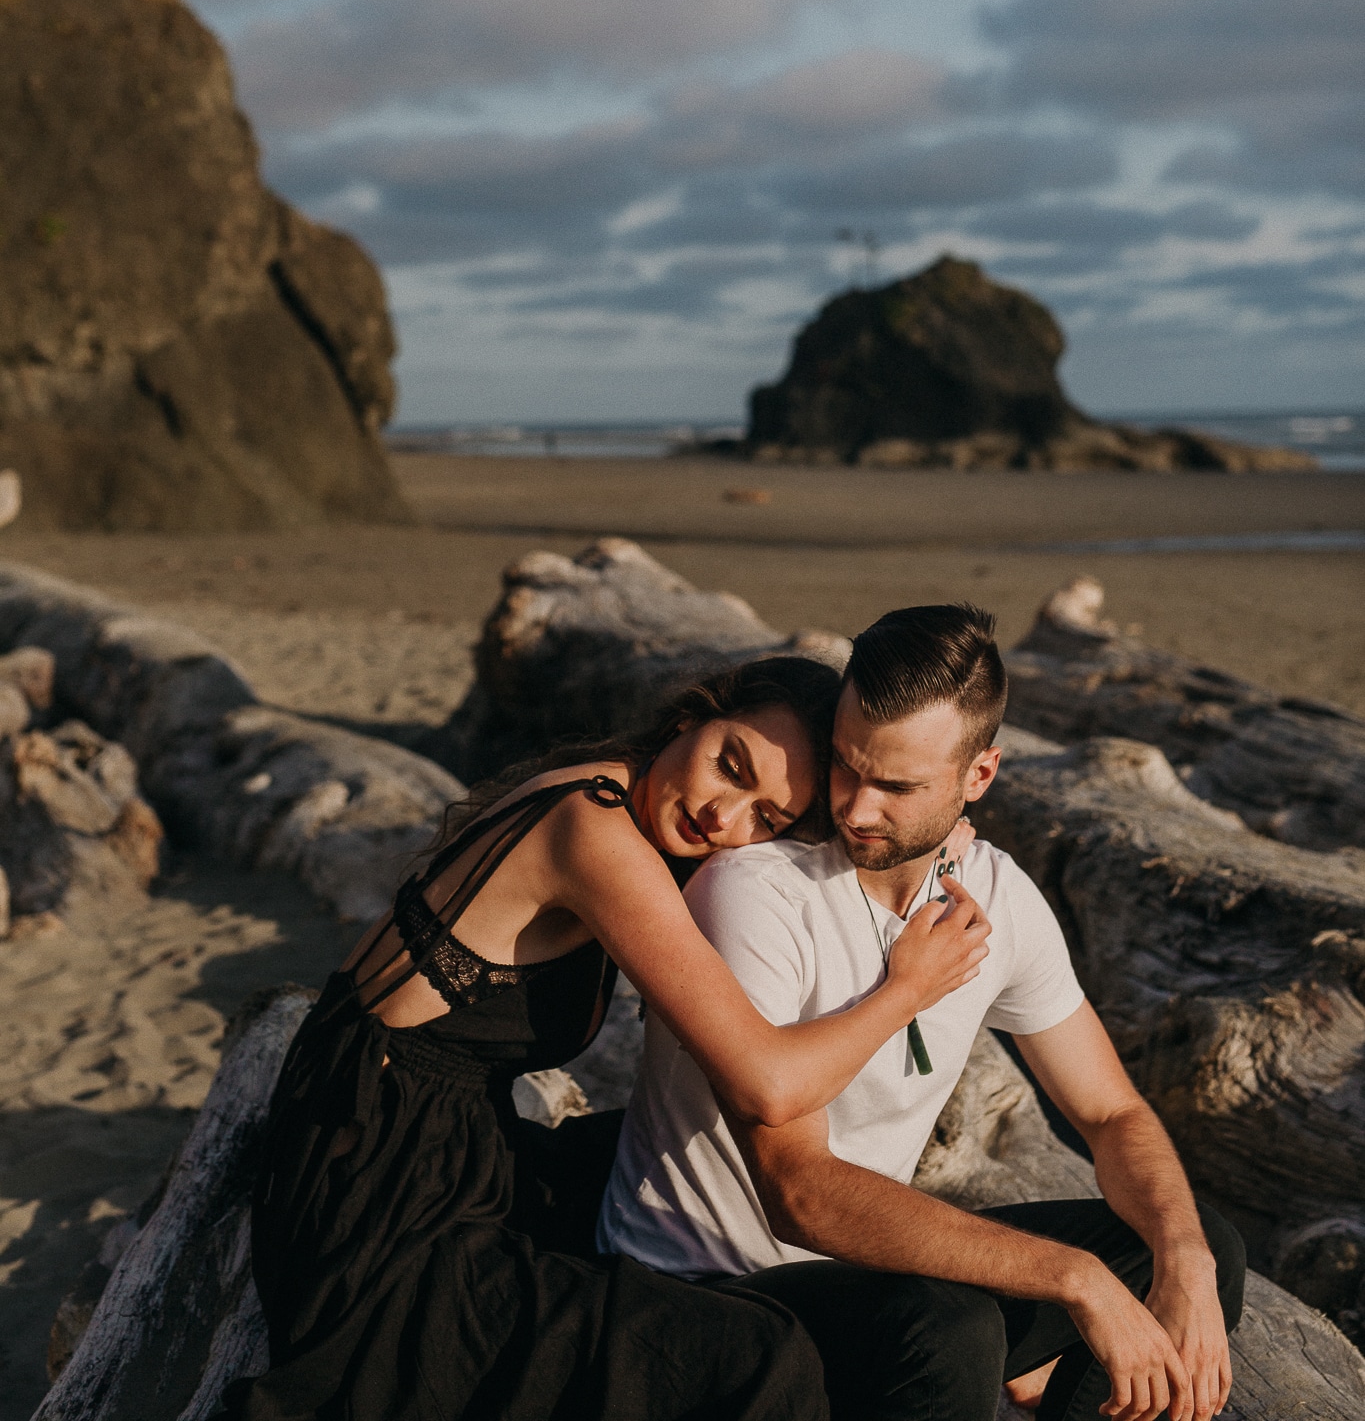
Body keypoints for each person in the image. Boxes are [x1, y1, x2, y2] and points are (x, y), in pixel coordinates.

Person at [218, 654, 991, 1421]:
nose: (724, 817)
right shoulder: (592, 831)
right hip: (377, 1203)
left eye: (768, 817)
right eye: (731, 765)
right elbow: (768, 1082)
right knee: (757, 1355)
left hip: (423, 1140)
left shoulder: (623, 797)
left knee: (679, 1161)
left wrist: (918, 839)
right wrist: (906, 990)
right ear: (691, 716)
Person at [600, 606, 1245, 1421]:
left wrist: (1180, 1260)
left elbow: (1110, 1110)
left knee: (1197, 1246)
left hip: (866, 1283)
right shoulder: (755, 890)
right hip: (699, 1293)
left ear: (978, 776)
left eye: (896, 786)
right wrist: (1072, 1279)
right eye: (843, 765)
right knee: (951, 1325)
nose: (857, 810)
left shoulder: (998, 895)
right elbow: (796, 1190)